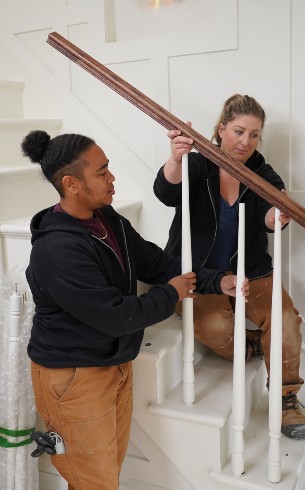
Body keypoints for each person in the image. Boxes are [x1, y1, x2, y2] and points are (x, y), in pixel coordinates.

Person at [22, 129, 248, 490]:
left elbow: (157, 264)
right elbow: (118, 316)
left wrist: (216, 280)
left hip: (112, 364)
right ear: (71, 183)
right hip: (74, 377)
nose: (112, 178)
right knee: (95, 482)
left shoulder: (107, 219)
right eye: (102, 172)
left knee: (103, 476)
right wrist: (170, 294)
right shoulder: (56, 252)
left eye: (108, 168)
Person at [153, 94, 305, 440]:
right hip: (199, 273)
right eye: (239, 131)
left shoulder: (261, 172)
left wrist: (277, 215)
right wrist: (177, 157)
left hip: (251, 271)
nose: (246, 142)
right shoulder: (198, 164)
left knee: (285, 320)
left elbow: (269, 216)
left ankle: (287, 398)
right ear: (221, 129)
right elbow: (165, 191)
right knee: (213, 328)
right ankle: (254, 347)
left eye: (254, 135)